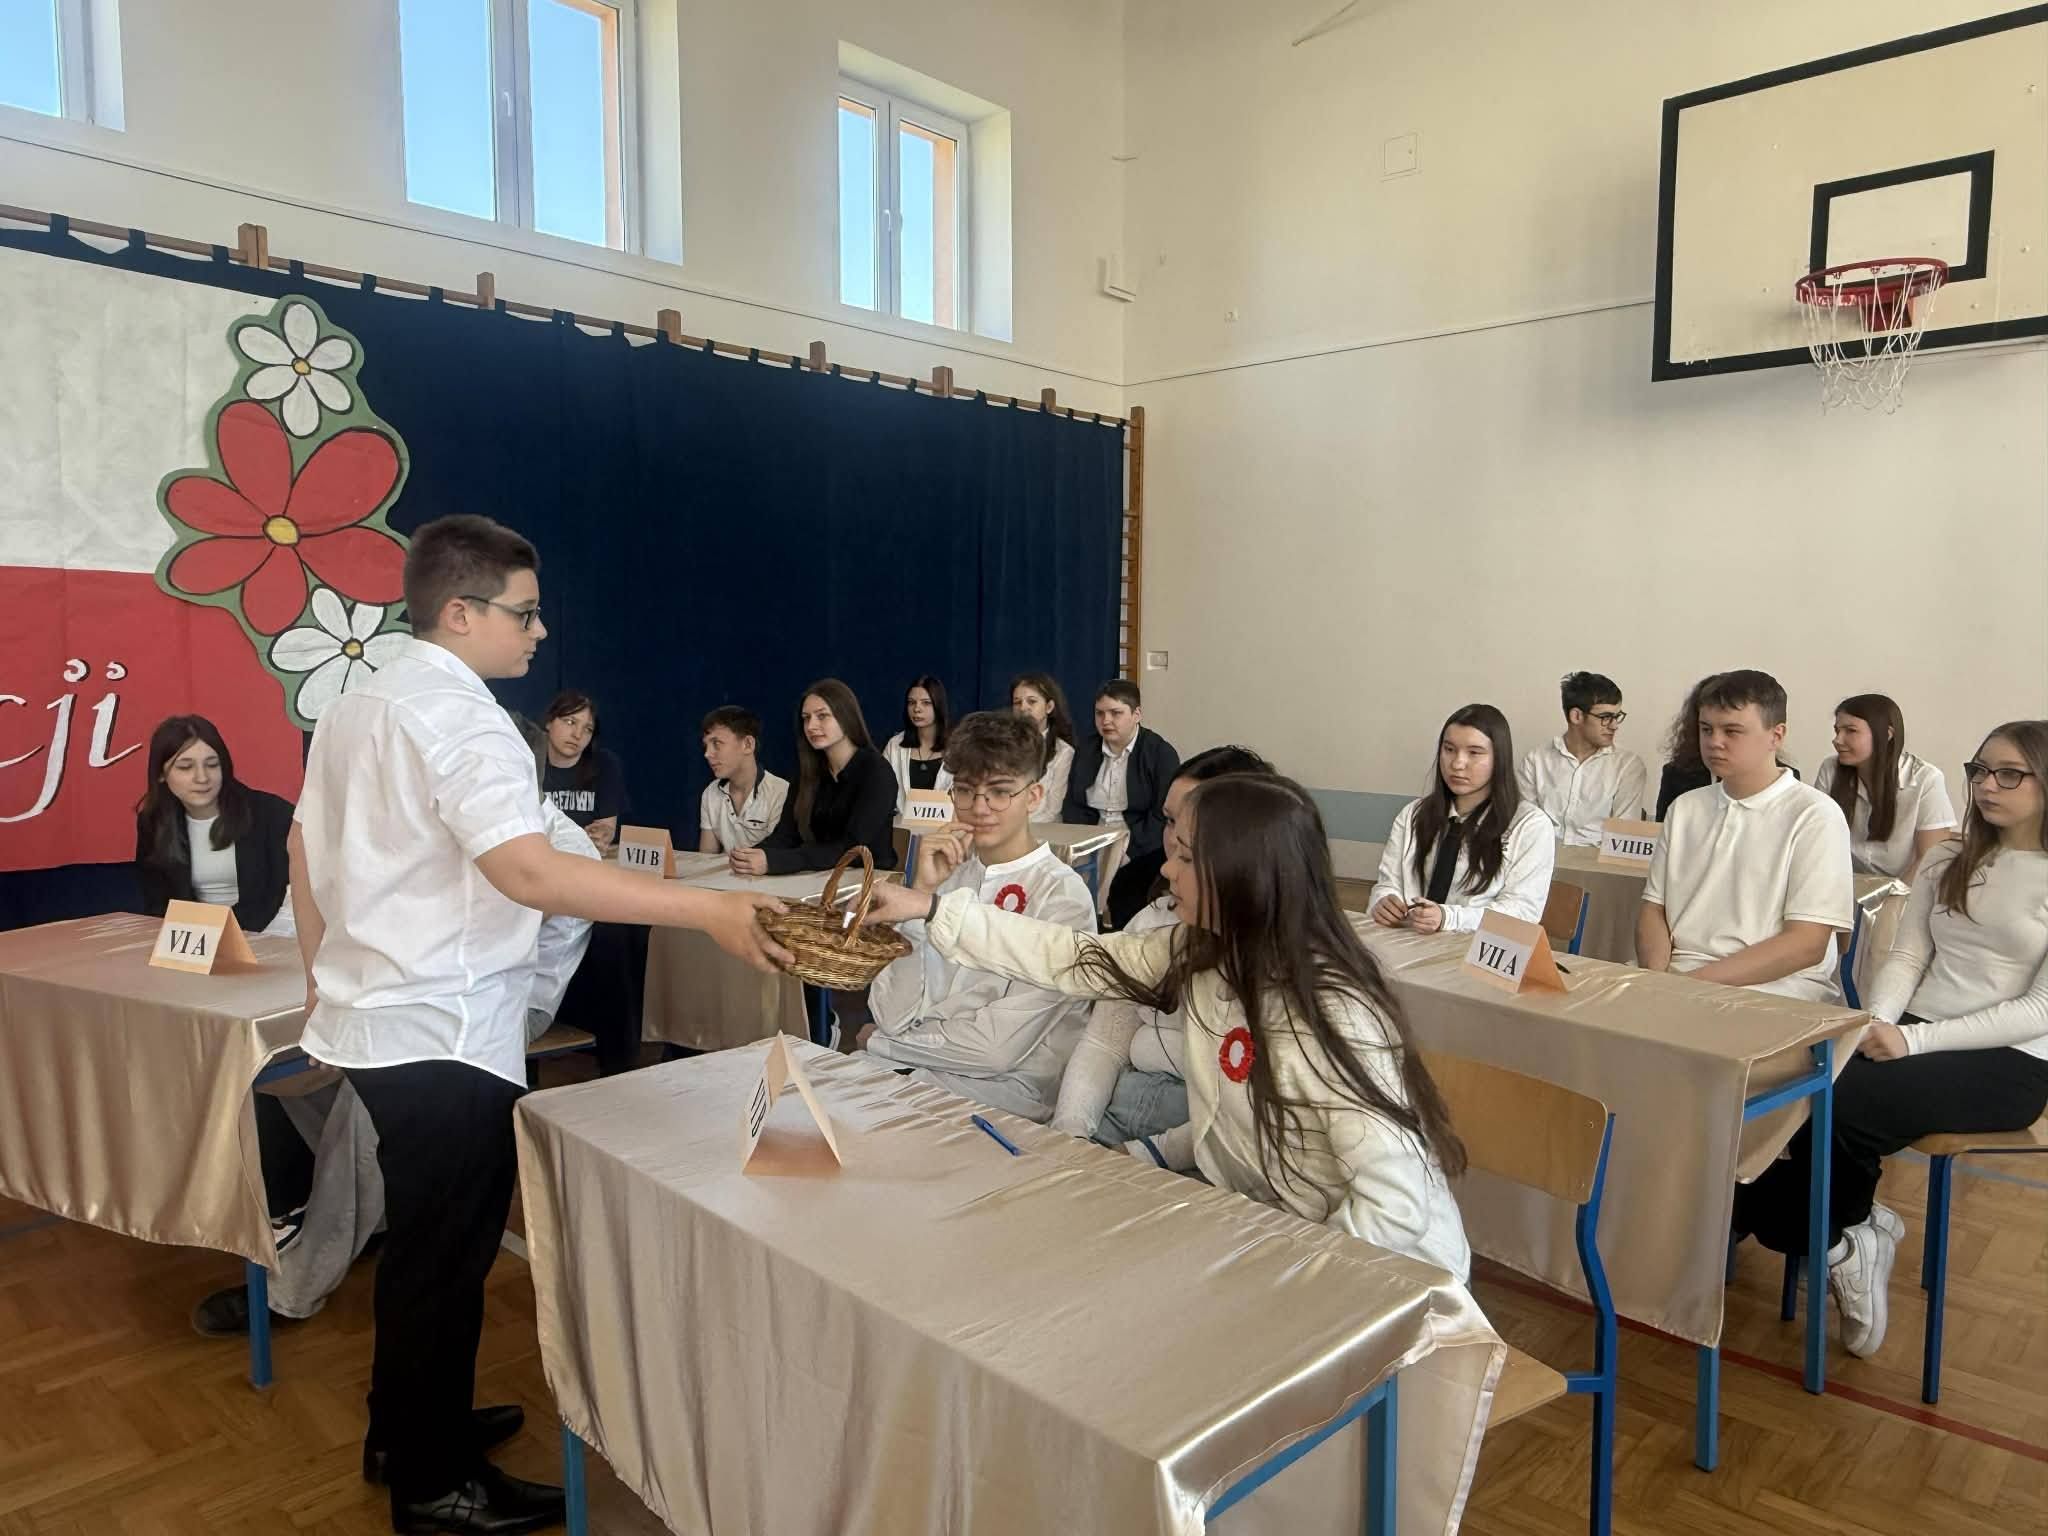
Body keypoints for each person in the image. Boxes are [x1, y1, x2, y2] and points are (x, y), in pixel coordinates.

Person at [288, 514, 789, 1534]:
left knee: (423, 1249)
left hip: (381, 1022)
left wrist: (321, 981)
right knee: (445, 1259)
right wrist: (707, 910)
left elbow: (304, 852)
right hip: (443, 1032)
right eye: (524, 613)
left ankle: (405, 1429)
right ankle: (435, 1486)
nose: (539, 630)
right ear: (459, 612)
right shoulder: (461, 717)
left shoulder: (357, 700)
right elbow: (527, 872)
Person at [859, 773, 1472, 1275]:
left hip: (1390, 1284)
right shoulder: (1204, 953)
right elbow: (1073, 956)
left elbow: (1393, 1210)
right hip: (1284, 1237)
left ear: (1241, 875)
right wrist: (931, 908)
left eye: (1185, 857)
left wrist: (1285, 1287)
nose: (1168, 872)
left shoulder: (1330, 1011)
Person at [1732, 720, 2048, 1357]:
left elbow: (2040, 1008)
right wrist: (1873, 1024)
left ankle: (1824, 1235)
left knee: (1840, 1107)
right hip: (1913, 1031)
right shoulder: (1950, 857)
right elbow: (1907, 956)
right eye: (1979, 771)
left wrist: (1914, 1043)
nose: (1987, 785)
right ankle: (1843, 1238)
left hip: (2010, 1061)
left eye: (2008, 774)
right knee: (1782, 1086)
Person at [860, 711, 1097, 1119]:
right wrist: (921, 892)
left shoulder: (1062, 897)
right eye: (966, 791)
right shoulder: (949, 876)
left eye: (1000, 792)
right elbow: (890, 1013)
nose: (980, 808)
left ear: (1034, 797)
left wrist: (882, 1043)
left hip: (1003, 1096)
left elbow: (995, 1051)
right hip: (913, 1070)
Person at [1052, 746, 1273, 1157]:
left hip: (1205, 1142)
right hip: (1121, 1108)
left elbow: (1245, 1116)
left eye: (1190, 830)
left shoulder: (1270, 952)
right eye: (1169, 821)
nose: (1171, 844)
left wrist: (1147, 1154)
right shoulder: (1152, 919)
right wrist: (1071, 1133)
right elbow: (1104, 1042)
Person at [1636, 670, 1851, 1002]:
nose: (1714, 742)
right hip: (1678, 979)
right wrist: (1657, 980)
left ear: (1776, 736)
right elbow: (1654, 911)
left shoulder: (1814, 815)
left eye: (1732, 731)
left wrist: (1686, 987)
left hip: (1775, 989)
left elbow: (1806, 944)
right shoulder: (1685, 808)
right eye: (1706, 729)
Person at [1370, 704, 1555, 934]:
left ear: (1499, 758)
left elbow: (1523, 911)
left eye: (1474, 753)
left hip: (1475, 948)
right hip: (1410, 940)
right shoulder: (1413, 814)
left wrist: (1449, 917)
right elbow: (1388, 883)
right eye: (1449, 749)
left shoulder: (1529, 825)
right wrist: (1385, 901)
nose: (1457, 763)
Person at [134, 714, 296, 936]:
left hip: (268, 932)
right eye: (185, 767)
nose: (202, 778)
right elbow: (158, 905)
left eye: (212, 765)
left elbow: (291, 896)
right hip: (195, 939)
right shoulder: (153, 822)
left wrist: (235, 938)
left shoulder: (272, 814)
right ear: (161, 774)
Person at [737, 679, 899, 875]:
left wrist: (776, 862)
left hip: (867, 880)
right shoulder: (808, 772)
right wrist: (749, 856)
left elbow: (851, 846)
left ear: (846, 717)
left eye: (822, 716)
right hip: (816, 876)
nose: (811, 726)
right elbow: (786, 836)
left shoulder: (877, 772)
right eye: (806, 718)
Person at [1060, 679, 1182, 930]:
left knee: (1122, 880)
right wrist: (1083, 841)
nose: (1106, 721)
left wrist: (1131, 850)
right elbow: (1074, 803)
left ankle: (1111, 926)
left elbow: (1162, 814)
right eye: (1100, 713)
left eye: (1115, 713)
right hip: (1091, 835)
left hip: (1137, 840)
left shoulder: (1160, 753)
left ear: (1137, 715)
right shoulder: (1087, 749)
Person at [1813, 693, 1958, 882]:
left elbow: (1929, 860)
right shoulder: (1830, 769)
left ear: (1886, 734)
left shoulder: (1926, 779)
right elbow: (1817, 842)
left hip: (1907, 889)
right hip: (1845, 886)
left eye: (1850, 731)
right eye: (1837, 731)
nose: (1837, 740)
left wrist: (1892, 898)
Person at [1517, 671, 1649, 845]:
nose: (1614, 725)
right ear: (1576, 716)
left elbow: (1623, 839)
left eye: (1617, 717)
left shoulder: (1628, 766)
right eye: (1606, 717)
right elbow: (1527, 828)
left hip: (1600, 860)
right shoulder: (1536, 761)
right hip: (1544, 856)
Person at [539, 690, 626, 854]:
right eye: (570, 722)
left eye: (587, 729)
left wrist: (602, 834)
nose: (577, 735)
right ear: (549, 722)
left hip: (583, 857)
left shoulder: (604, 764)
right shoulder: (527, 762)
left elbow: (607, 827)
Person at [697, 705, 789, 854]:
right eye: (706, 746)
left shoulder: (780, 792)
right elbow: (706, 858)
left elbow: (776, 855)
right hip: (723, 870)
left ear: (748, 744)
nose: (707, 754)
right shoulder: (710, 793)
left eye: (716, 743)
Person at [880, 675, 954, 811]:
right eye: (911, 702)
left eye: (926, 703)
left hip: (946, 824)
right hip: (901, 823)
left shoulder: (957, 747)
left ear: (938, 705)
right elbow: (881, 791)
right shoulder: (895, 745)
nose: (917, 709)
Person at [1011, 671, 1076, 824]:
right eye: (1017, 702)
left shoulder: (1063, 751)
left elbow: (1053, 810)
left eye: (1032, 702)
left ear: (1049, 707)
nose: (1023, 708)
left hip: (1044, 829)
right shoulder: (1001, 745)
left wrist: (1018, 828)